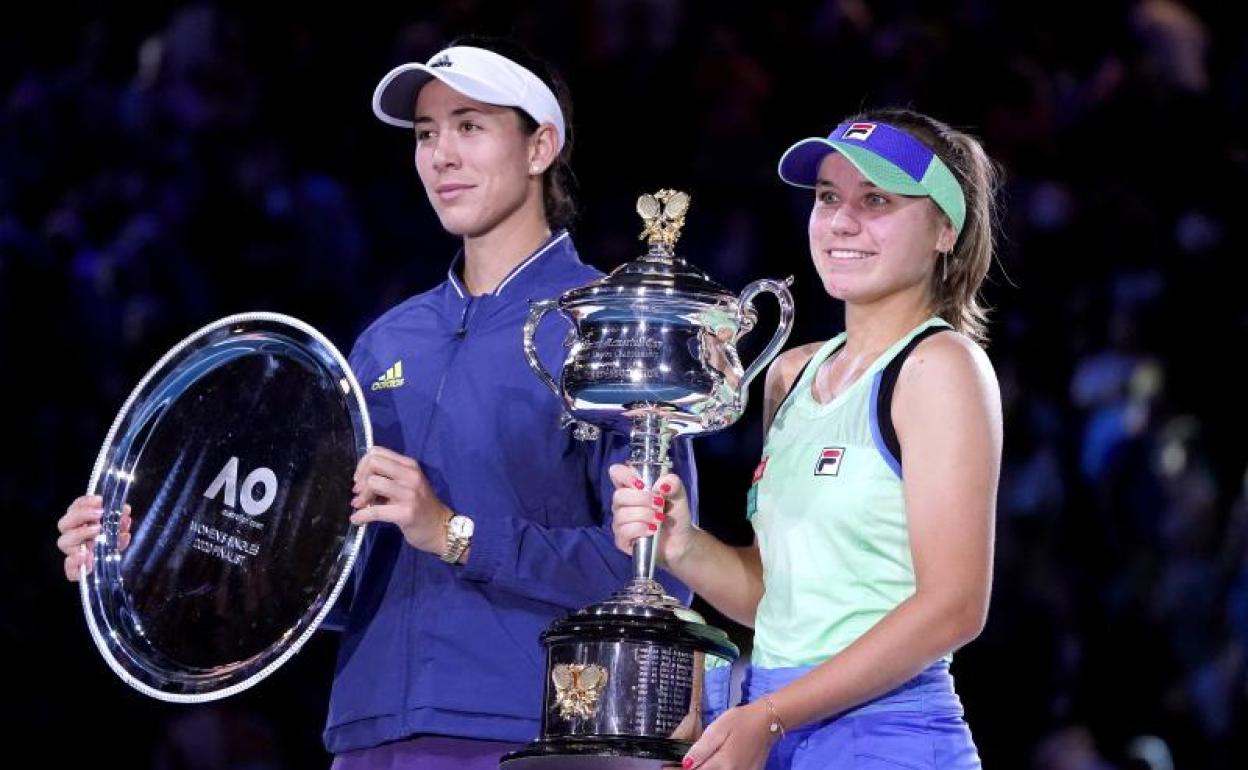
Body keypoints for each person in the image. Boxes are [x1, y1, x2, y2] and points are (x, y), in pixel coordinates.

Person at [57, 38, 697, 769]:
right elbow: (326, 582)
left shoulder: (608, 330)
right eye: (426, 134)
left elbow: (660, 572)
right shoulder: (387, 341)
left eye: (469, 126)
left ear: (540, 146)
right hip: (367, 736)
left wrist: (455, 533)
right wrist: (153, 555)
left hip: (528, 733)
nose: (441, 156)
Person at [611, 108, 1002, 769]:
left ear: (943, 228)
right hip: (777, 729)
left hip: (887, 739)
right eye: (828, 198)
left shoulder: (941, 368)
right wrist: (682, 545)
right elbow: (779, 597)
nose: (843, 221)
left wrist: (769, 716)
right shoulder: (791, 373)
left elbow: (954, 607)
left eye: (876, 200)